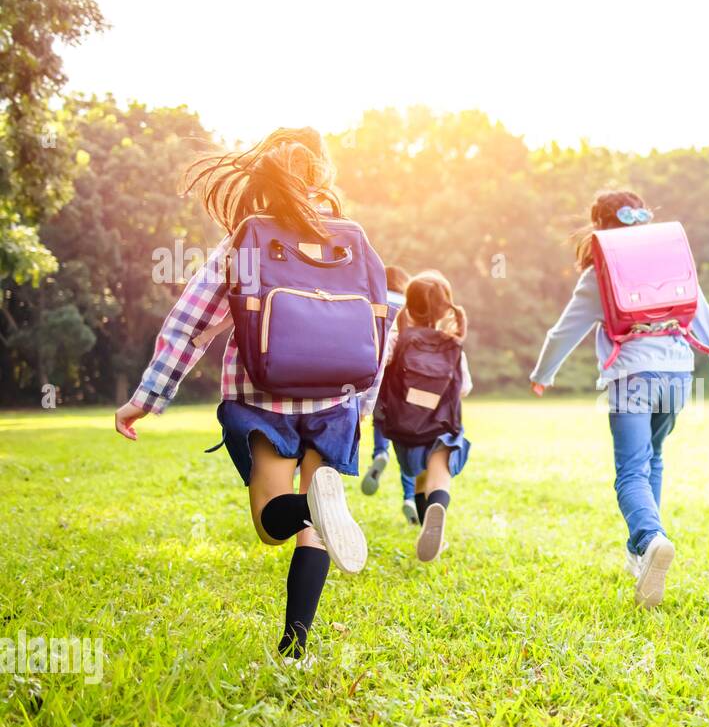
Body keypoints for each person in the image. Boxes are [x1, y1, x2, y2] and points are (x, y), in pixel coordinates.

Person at [113, 127, 384, 661]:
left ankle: (309, 507)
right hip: (334, 401)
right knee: (316, 530)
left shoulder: (248, 240)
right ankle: (295, 645)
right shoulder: (351, 238)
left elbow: (190, 321)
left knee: (271, 525)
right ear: (323, 172)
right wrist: (365, 405)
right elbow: (378, 322)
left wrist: (146, 397)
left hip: (265, 399)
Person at [529, 190, 709, 606]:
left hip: (632, 378)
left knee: (630, 471)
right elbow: (706, 317)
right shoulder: (669, 260)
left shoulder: (599, 273)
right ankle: (639, 549)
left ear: (598, 226)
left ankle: (650, 539)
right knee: (654, 458)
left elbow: (563, 331)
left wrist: (543, 373)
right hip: (679, 375)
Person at [373, 271, 472, 563]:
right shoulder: (452, 343)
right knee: (439, 478)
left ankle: (424, 519)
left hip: (406, 427)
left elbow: (379, 375)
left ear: (408, 303)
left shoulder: (397, 339)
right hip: (442, 425)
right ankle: (436, 511)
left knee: (417, 479)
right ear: (445, 307)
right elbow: (464, 387)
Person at [360, 265, 420, 523]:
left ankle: (379, 453)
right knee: (407, 446)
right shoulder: (411, 307)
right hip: (408, 388)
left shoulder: (376, 303)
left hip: (383, 384)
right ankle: (410, 497)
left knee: (381, 421)